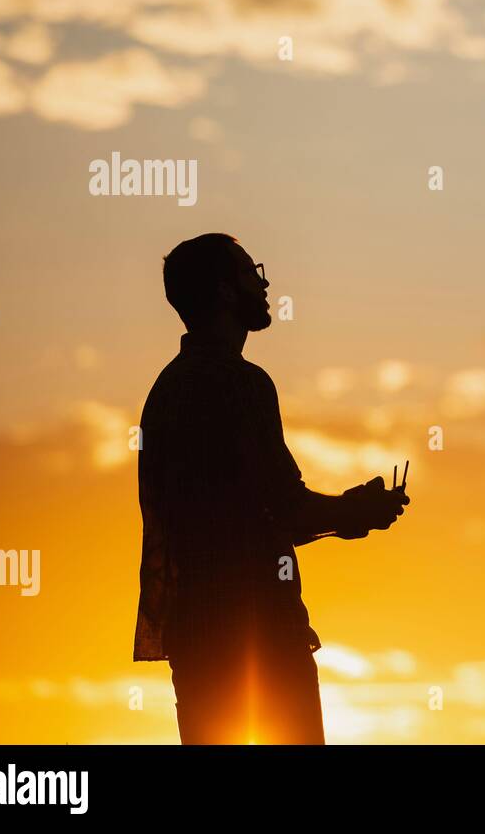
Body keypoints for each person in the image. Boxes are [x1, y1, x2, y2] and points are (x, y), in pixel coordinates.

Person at [133, 233, 408, 744]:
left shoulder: (165, 392)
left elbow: (242, 517)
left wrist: (344, 514)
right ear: (222, 290)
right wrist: (352, 513)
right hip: (261, 638)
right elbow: (281, 509)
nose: (263, 284)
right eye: (249, 273)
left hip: (197, 643)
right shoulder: (241, 383)